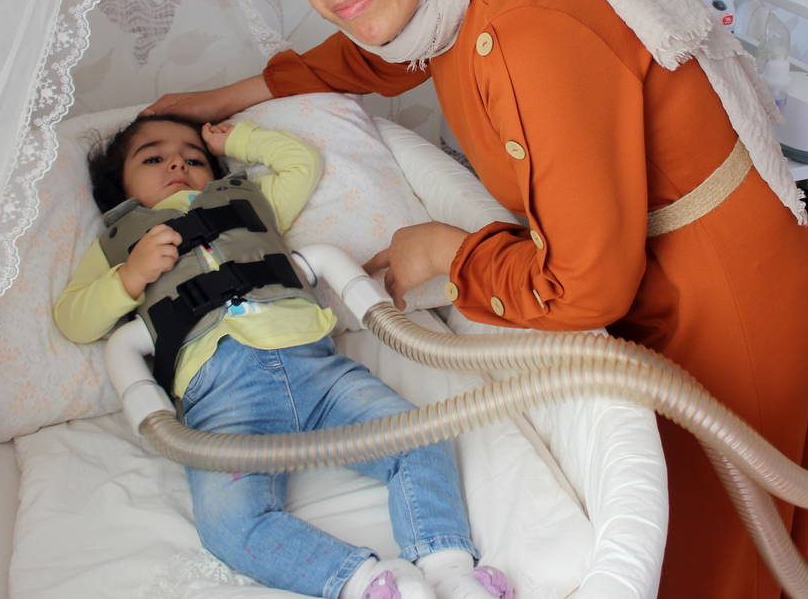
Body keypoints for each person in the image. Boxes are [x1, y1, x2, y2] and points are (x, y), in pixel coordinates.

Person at [143, 0, 808, 599]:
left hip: (729, 298)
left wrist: (446, 249)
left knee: (715, 571)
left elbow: (584, 285)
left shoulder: (518, 24)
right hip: (666, 273)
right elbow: (368, 58)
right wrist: (219, 100)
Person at [54, 113, 512, 599]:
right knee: (228, 525)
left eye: (194, 157)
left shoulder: (247, 201)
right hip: (223, 402)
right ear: (120, 187)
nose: (177, 163)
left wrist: (235, 138)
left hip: (320, 374)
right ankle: (366, 583)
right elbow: (73, 319)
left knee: (420, 438)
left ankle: (447, 567)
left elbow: (300, 163)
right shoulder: (118, 243)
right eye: (153, 158)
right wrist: (130, 276)